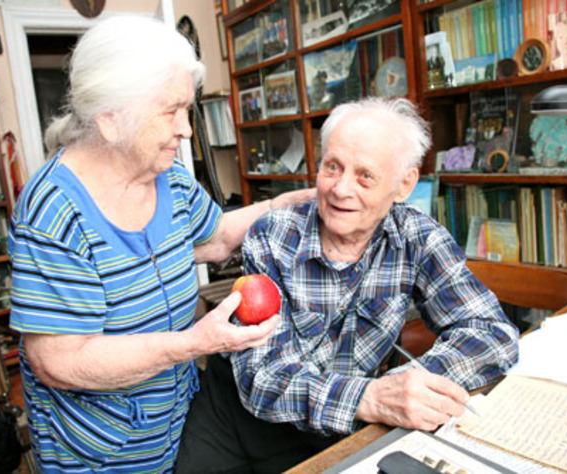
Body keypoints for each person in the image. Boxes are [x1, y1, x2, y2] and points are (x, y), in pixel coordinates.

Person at [8, 16, 313, 473]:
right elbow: (60, 362)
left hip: (181, 429)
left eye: (186, 110)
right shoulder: (52, 210)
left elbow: (219, 237)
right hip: (105, 455)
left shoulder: (167, 178)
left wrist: (291, 203)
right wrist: (195, 342)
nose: (186, 129)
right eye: (170, 111)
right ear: (110, 119)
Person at [176, 98, 519, 473]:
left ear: (403, 185)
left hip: (341, 430)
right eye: (332, 167)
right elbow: (265, 379)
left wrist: (410, 385)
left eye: (365, 176)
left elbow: (492, 332)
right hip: (238, 421)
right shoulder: (273, 236)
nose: (341, 189)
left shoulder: (418, 238)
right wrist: (369, 397)